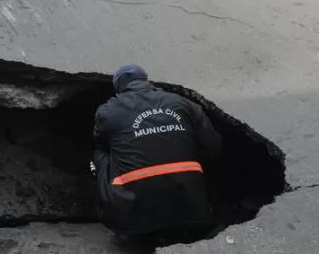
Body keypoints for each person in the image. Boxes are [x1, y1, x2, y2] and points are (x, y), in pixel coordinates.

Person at [92, 65, 223, 242]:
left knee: (99, 155)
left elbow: (103, 145)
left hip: (132, 219)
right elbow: (213, 145)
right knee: (195, 149)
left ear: (118, 87)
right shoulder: (181, 102)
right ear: (146, 80)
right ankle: (201, 207)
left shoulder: (107, 111)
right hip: (192, 207)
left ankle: (117, 214)